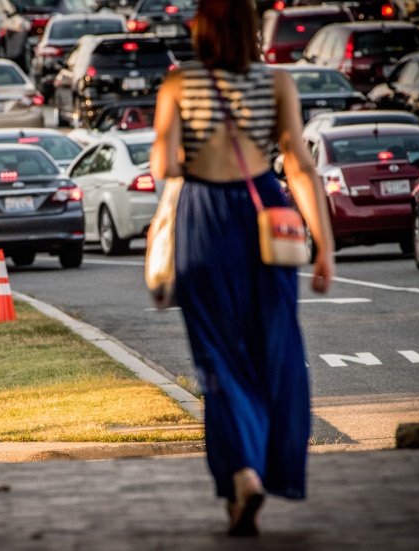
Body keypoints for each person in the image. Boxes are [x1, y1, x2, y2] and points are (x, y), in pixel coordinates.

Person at [149, 0, 335, 537]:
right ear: (253, 29)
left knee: (217, 359)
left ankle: (243, 475)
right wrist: (324, 245)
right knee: (272, 348)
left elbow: (165, 166)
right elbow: (298, 162)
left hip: (205, 220)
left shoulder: (179, 85)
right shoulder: (278, 84)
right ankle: (266, 465)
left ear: (201, 28)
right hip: (265, 217)